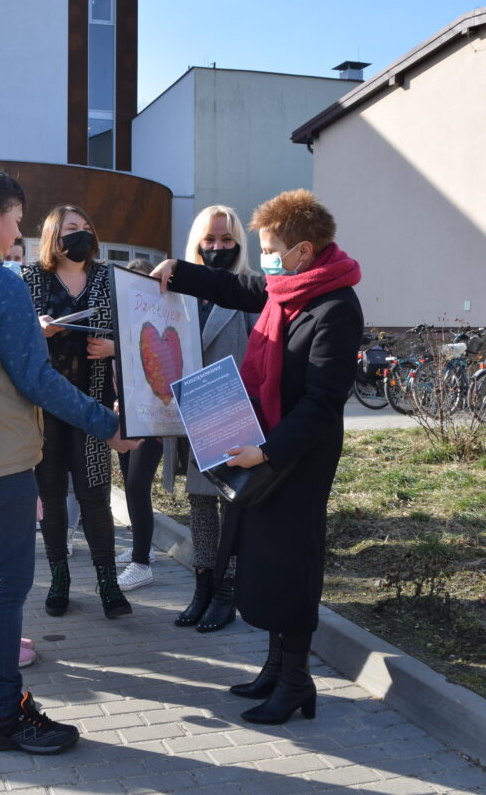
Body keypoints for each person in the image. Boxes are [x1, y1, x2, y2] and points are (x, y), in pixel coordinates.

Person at [0, 164, 139, 754]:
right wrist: (108, 425)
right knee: (5, 588)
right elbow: (37, 381)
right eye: (15, 221)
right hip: (0, 463)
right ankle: (7, 714)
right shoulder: (4, 283)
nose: (19, 236)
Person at [152, 189, 362, 725]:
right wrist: (178, 271)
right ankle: (275, 668)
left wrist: (265, 452)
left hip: (297, 457)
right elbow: (234, 285)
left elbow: (322, 405)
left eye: (272, 249)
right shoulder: (286, 288)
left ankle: (296, 682)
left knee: (294, 568)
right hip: (262, 447)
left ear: (304, 250)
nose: (265, 259)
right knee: (266, 561)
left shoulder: (336, 308)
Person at [21, 205, 130, 620]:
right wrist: (39, 328)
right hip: (46, 410)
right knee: (49, 497)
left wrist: (114, 347)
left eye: (86, 228)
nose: (81, 235)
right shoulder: (32, 278)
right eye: (71, 229)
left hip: (94, 405)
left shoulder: (107, 277)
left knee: (95, 496)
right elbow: (14, 337)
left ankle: (108, 584)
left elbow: (136, 327)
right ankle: (59, 579)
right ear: (53, 236)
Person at [165, 206, 257, 631]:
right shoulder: (176, 291)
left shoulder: (248, 291)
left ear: (238, 243)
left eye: (226, 240)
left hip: (229, 412)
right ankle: (203, 585)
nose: (217, 247)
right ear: (196, 243)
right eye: (210, 240)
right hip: (186, 411)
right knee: (199, 504)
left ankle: (228, 590)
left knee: (232, 504)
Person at [113, 257, 164, 592]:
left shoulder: (160, 317)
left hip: (151, 417)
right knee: (131, 484)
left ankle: (142, 564)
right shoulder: (123, 315)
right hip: (124, 415)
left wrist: (114, 348)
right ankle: (140, 548)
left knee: (136, 486)